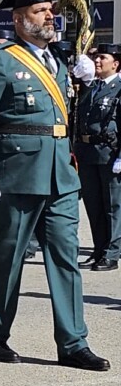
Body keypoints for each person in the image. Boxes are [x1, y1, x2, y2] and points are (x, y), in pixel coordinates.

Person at [0, 0, 107, 370]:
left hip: (61, 174)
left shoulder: (58, 63)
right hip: (17, 173)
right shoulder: (0, 61)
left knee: (65, 259)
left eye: (49, 11)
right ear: (18, 19)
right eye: (39, 11)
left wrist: (86, 80)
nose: (49, 16)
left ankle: (74, 342)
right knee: (6, 257)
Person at [74, 44, 121, 271]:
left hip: (109, 154)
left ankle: (112, 253)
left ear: (116, 63)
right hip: (88, 153)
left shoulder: (119, 88)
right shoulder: (92, 88)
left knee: (112, 206)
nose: (98, 61)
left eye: (103, 57)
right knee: (94, 205)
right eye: (96, 57)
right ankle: (99, 249)